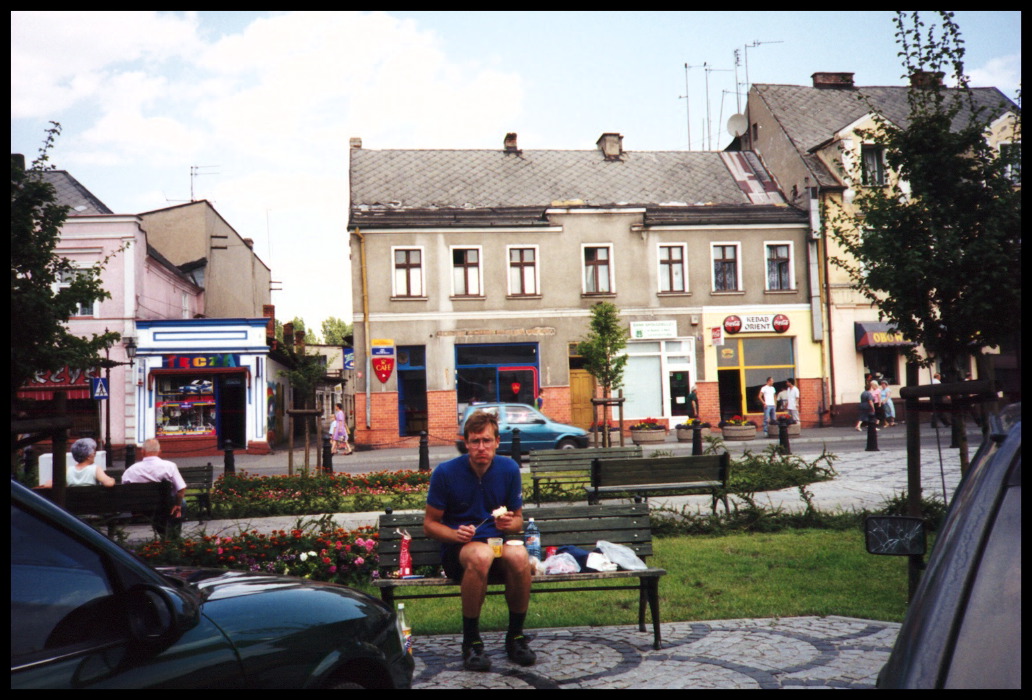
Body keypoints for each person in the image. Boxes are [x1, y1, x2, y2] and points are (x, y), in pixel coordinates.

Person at [424, 410, 535, 672]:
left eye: (486, 441)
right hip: (460, 551)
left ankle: (516, 637)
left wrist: (510, 522)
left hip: (496, 545)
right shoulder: (446, 473)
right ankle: (471, 642)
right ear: (466, 443)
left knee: (520, 556)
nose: (481, 448)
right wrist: (454, 534)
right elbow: (429, 524)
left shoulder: (508, 469)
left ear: (497, 441)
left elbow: (519, 520)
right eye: (475, 441)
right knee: (480, 555)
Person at [123, 438, 187, 528]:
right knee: (182, 503)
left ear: (143, 452)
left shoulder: (131, 470)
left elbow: (124, 491)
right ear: (159, 451)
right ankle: (172, 535)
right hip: (164, 506)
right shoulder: (170, 466)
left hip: (140, 508)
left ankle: (162, 531)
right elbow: (181, 488)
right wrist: (178, 505)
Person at [40, 437, 115, 488]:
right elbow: (109, 483)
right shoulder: (95, 469)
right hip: (91, 506)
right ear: (88, 456)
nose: (95, 455)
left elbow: (48, 485)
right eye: (94, 453)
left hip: (71, 506)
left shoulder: (67, 470)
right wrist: (112, 479)